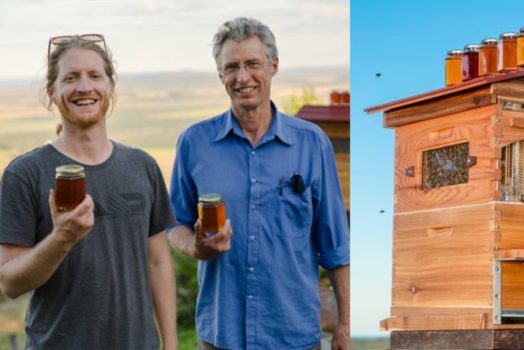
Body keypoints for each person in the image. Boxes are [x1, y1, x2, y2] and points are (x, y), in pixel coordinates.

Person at [168, 17, 350, 350]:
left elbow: (335, 245)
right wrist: (195, 247)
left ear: (274, 65)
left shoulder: (312, 144)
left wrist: (345, 327)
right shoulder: (194, 143)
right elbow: (174, 225)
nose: (243, 77)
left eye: (253, 64)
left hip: (293, 335)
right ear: (220, 74)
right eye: (232, 67)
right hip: (220, 335)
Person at [0, 34, 177, 349]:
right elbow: (10, 281)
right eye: (70, 78)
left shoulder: (142, 166)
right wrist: (61, 239)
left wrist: (171, 343)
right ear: (51, 93)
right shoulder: (25, 174)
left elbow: (158, 263)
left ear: (111, 87)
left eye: (95, 75)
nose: (84, 87)